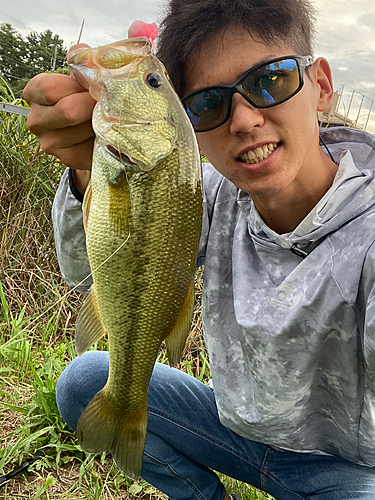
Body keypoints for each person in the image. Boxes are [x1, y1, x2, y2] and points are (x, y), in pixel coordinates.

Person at [23, 0, 375, 498]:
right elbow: (87, 275)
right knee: (85, 382)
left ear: (319, 85)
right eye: (209, 103)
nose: (245, 119)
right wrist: (87, 174)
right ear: (188, 124)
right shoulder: (202, 192)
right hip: (233, 428)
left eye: (269, 80)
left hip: (344, 464)